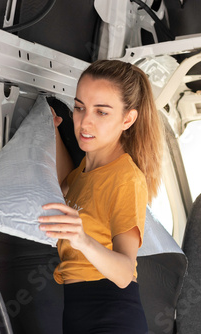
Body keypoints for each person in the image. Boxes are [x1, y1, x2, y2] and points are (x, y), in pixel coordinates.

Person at [39, 59, 163, 333]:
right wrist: (54, 130)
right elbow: (64, 186)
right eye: (80, 107)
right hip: (78, 312)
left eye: (102, 112)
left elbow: (122, 273)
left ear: (127, 119)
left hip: (110, 315)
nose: (85, 122)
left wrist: (82, 240)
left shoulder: (125, 179)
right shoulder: (87, 168)